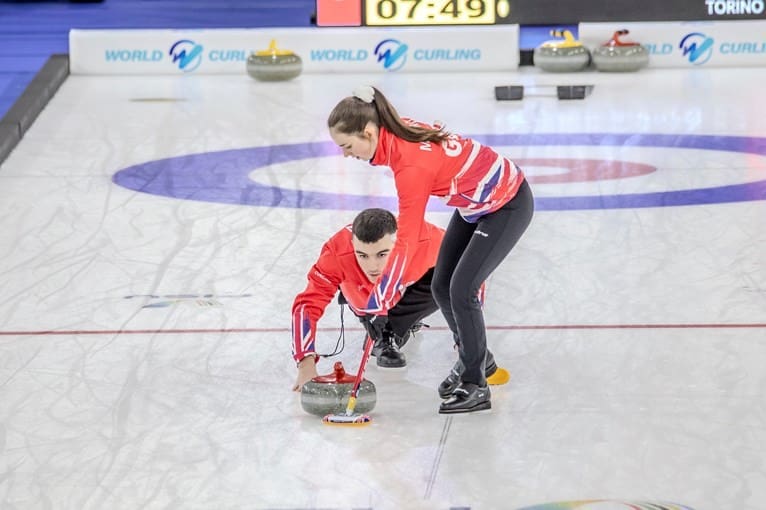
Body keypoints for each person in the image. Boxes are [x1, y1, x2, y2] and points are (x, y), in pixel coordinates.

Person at [327, 86, 534, 414]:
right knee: (441, 285)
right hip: (475, 205)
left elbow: (406, 239)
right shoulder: (393, 131)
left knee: (462, 289)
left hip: (507, 205)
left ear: (368, 133)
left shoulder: (410, 167)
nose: (346, 154)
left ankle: (475, 384)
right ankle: (480, 362)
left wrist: (381, 302)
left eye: (347, 146)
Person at [291, 208, 442, 391]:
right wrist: (305, 362)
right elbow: (307, 305)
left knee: (448, 280)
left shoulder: (425, 238)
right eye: (362, 255)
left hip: (407, 284)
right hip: (362, 296)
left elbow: (468, 274)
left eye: (381, 254)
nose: (372, 267)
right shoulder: (337, 252)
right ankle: (382, 331)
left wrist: (465, 339)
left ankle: (395, 324)